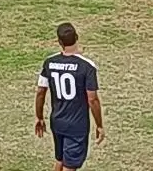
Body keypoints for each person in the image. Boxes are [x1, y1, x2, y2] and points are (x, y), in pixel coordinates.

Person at [35, 22, 105, 171]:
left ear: (59, 42)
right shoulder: (87, 67)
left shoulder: (49, 63)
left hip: (57, 122)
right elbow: (92, 99)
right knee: (69, 166)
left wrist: (39, 117)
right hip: (76, 125)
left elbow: (40, 92)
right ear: (77, 37)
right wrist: (99, 125)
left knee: (60, 160)